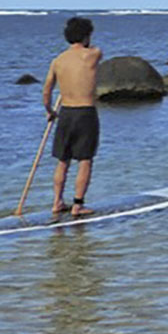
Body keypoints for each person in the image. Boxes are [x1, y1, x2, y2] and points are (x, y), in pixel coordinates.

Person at [42, 16, 102, 217]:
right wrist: (86, 39)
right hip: (85, 113)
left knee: (63, 160)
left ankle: (57, 202)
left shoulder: (57, 61)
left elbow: (47, 90)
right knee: (85, 160)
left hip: (65, 113)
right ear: (86, 36)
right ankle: (78, 205)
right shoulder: (93, 54)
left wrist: (50, 111)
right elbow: (92, 49)